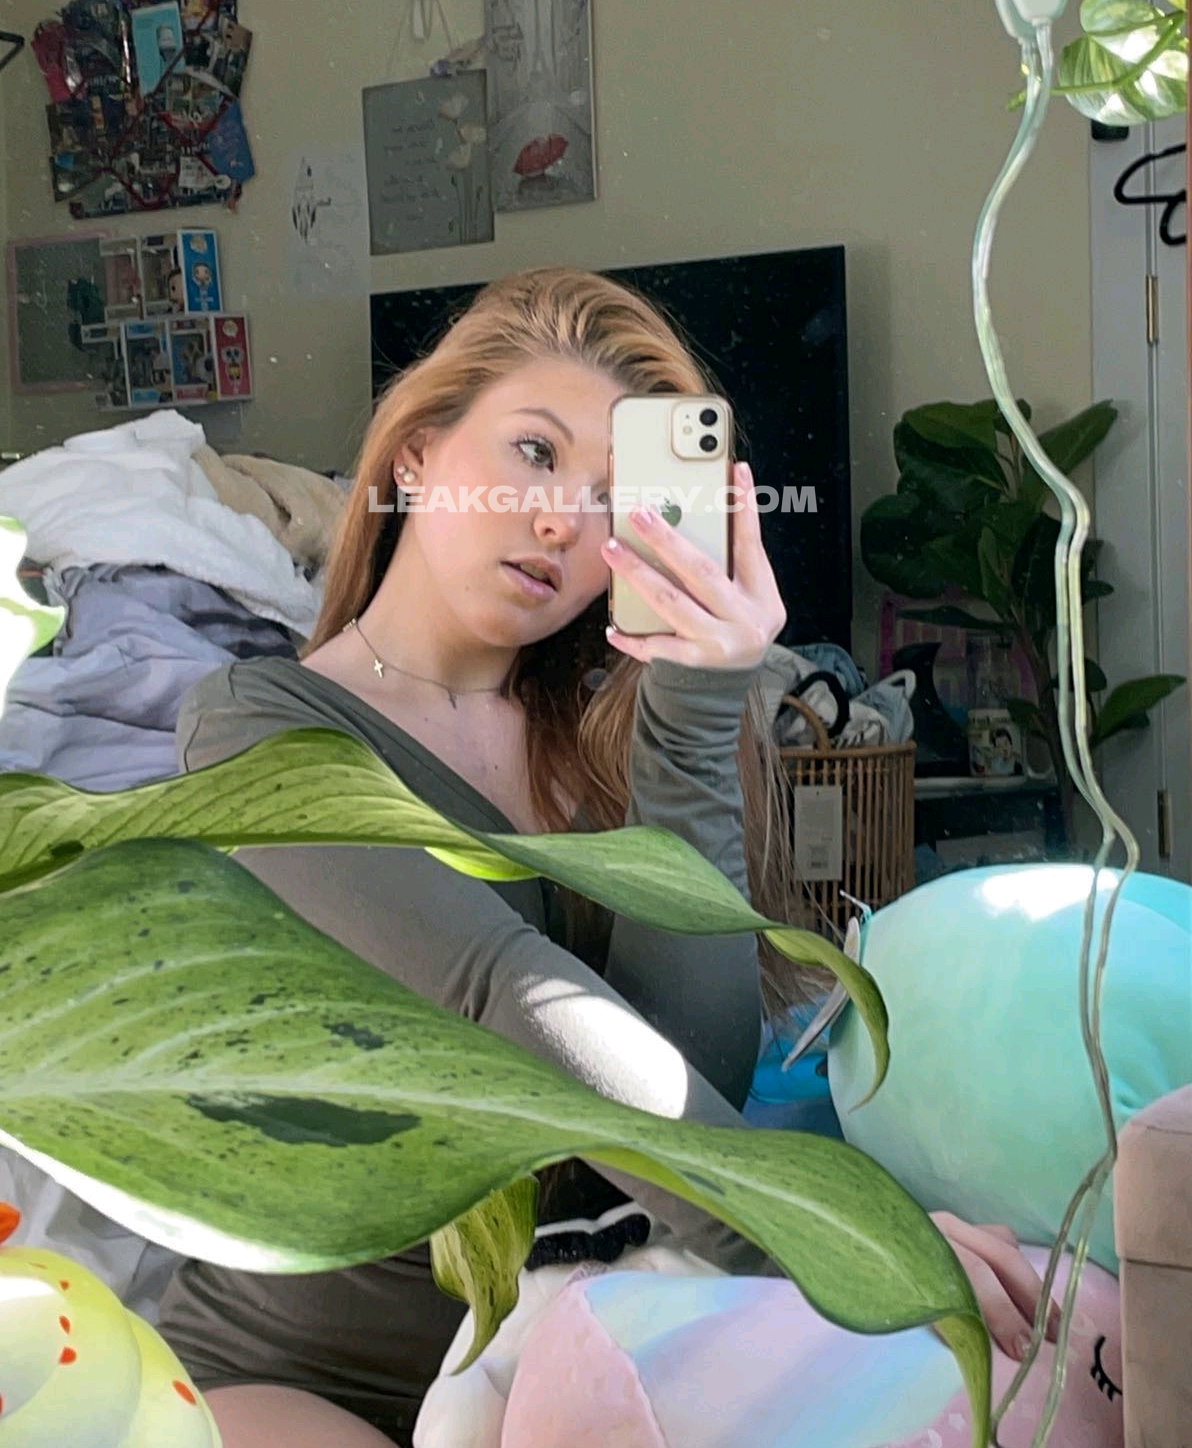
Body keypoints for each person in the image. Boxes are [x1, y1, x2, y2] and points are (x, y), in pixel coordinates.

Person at [156, 267, 1057, 1448]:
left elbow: (690, 1065)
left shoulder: (596, 741)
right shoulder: (253, 723)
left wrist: (692, 706)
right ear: (417, 454)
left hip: (585, 1345)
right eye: (533, 453)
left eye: (613, 499)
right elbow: (504, 997)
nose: (561, 524)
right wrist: (838, 1234)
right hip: (305, 1372)